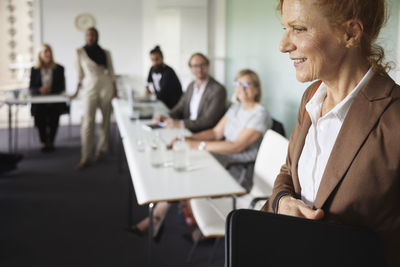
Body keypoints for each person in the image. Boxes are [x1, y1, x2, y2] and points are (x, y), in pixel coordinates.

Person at [261, 1, 400, 266]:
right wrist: (282, 201)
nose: (283, 45)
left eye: (299, 29)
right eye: (285, 28)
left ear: (351, 33)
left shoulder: (394, 118)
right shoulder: (311, 97)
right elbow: (288, 172)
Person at [132, 69, 272, 239]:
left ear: (257, 89)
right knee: (181, 162)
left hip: (236, 169)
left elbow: (236, 146)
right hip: (220, 157)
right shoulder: (236, 107)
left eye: (246, 84)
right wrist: (187, 138)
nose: (241, 88)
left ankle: (166, 218)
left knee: (185, 172)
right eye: (237, 84)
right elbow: (215, 133)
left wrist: (200, 145)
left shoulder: (260, 114)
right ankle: (163, 216)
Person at [71, 27, 118, 170]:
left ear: (97, 36)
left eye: (93, 35)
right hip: (89, 86)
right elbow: (79, 74)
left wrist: (115, 91)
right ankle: (86, 155)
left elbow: (111, 72)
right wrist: (75, 91)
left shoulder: (105, 52)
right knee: (87, 121)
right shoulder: (79, 52)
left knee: (105, 120)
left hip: (106, 85)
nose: (90, 37)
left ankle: (101, 150)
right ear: (85, 37)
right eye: (88, 35)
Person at [154, 53, 227, 133]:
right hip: (186, 130)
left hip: (203, 133)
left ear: (208, 66)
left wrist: (181, 124)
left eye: (203, 65)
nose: (199, 69)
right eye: (195, 66)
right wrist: (166, 116)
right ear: (191, 68)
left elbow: (209, 120)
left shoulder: (218, 89)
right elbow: (180, 108)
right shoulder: (191, 86)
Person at [29, 44, 67, 152]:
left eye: (49, 51)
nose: (48, 54)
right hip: (39, 102)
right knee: (40, 119)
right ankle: (44, 142)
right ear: (40, 54)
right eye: (45, 51)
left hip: (54, 101)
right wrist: (40, 90)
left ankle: (51, 141)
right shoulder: (34, 69)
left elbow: (61, 87)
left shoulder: (59, 68)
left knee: (54, 119)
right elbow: (31, 87)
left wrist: (50, 90)